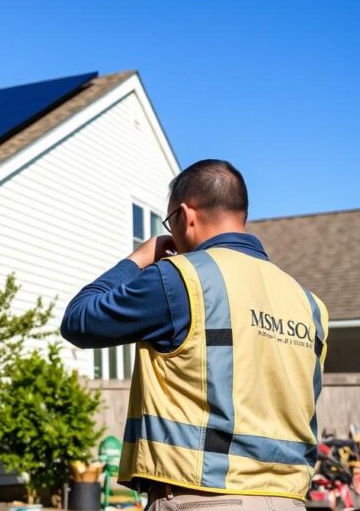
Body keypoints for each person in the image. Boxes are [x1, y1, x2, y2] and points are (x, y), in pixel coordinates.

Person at [61, 159, 329, 510]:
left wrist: (139, 258)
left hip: (202, 499)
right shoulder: (309, 305)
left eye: (170, 222)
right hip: (290, 502)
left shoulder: (182, 279)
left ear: (185, 216)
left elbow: (79, 320)